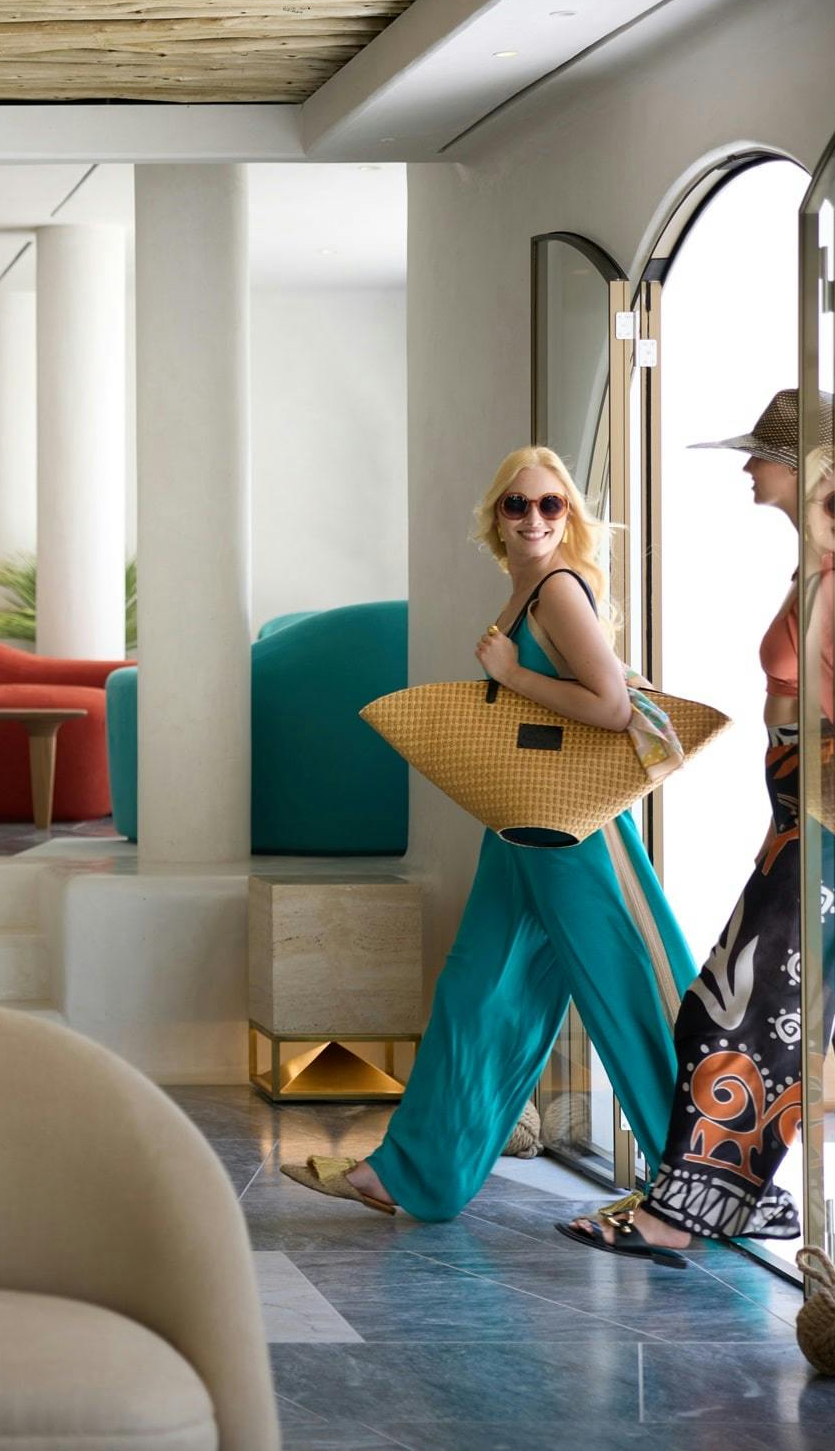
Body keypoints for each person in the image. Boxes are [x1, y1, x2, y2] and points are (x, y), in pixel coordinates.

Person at [564, 389, 835, 1273]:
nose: (749, 467)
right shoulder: (824, 565)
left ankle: (690, 1210)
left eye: (762, 455)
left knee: (729, 1010)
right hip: (815, 822)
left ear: (805, 470)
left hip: (832, 828)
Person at [283, 447, 698, 1230]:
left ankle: (706, 1178)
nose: (535, 518)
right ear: (494, 518)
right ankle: (411, 1172)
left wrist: (510, 678)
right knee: (475, 991)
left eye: (550, 505)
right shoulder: (521, 596)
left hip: (574, 830)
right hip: (521, 826)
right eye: (517, 505)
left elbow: (610, 707)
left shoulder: (558, 590)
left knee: (630, 993)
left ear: (567, 515)